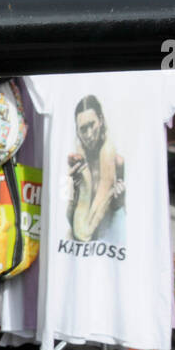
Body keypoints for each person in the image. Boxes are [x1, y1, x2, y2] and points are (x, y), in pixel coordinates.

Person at [67, 94, 126, 241]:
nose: (88, 134)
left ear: (100, 120)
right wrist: (75, 190)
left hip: (110, 240)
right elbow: (68, 218)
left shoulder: (116, 160)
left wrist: (119, 201)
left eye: (91, 125)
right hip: (79, 241)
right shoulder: (76, 161)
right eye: (83, 129)